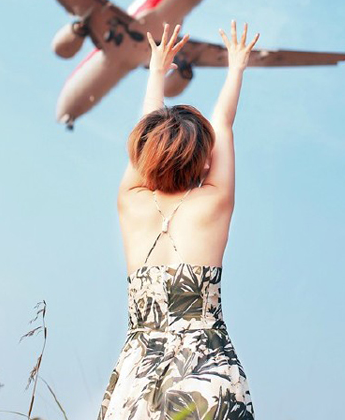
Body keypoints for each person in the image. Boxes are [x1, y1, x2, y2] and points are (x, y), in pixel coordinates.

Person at [96, 22, 259, 420]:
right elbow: (223, 122)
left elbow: (147, 135)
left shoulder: (130, 204)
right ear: (205, 158)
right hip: (208, 371)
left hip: (139, 373)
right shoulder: (213, 203)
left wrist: (156, 72)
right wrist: (235, 67)